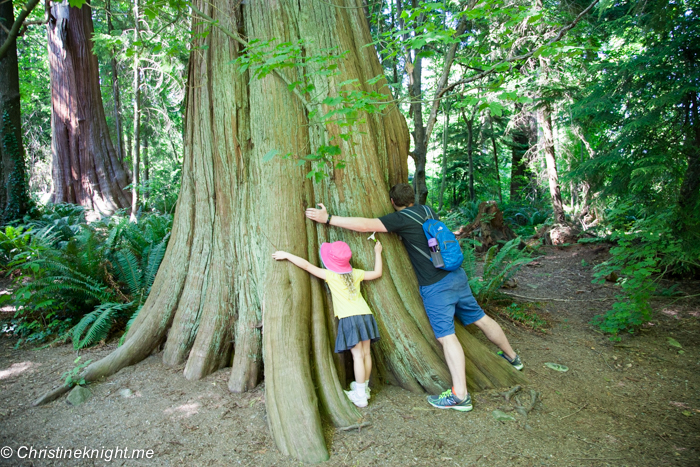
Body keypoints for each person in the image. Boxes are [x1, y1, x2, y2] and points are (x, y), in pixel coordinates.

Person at [305, 183, 523, 412]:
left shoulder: (402, 219)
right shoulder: (427, 210)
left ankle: (460, 395)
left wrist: (328, 218)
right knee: (480, 317)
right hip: (456, 276)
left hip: (436, 287)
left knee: (448, 337)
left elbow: (365, 225)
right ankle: (512, 357)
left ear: (392, 202)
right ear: (413, 198)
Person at [272, 240, 383, 408]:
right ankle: (364, 388)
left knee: (358, 356)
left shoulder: (331, 275)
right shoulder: (356, 273)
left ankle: (360, 396)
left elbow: (307, 266)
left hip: (349, 317)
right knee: (366, 354)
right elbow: (377, 273)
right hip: (365, 315)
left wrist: (287, 255)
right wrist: (377, 252)